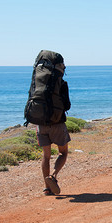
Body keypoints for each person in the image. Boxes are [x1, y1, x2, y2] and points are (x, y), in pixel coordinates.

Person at [32, 51, 71, 195]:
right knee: (63, 153)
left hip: (40, 123)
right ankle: (53, 177)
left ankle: (46, 188)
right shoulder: (61, 82)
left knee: (46, 156)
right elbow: (66, 105)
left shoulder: (37, 80)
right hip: (57, 123)